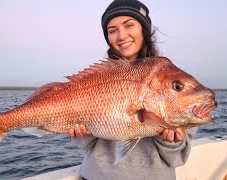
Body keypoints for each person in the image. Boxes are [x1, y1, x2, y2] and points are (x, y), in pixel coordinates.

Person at [68, 0, 197, 179]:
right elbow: (86, 146)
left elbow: (177, 158)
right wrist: (82, 135)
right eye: (112, 30)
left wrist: (169, 142)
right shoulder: (95, 79)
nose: (121, 35)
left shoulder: (172, 81)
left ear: (144, 29)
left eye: (129, 25)